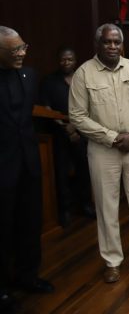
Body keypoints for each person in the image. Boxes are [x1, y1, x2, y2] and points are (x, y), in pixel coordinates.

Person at [69, 23, 129, 283]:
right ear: (97, 44)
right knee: (107, 207)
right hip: (102, 151)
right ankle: (112, 261)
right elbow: (77, 116)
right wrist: (111, 137)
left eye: (116, 42)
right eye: (107, 42)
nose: (112, 46)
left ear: (122, 44)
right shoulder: (83, 74)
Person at [0, 26, 54, 312]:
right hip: (2, 169)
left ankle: (28, 276)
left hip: (29, 164)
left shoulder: (29, 75)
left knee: (30, 223)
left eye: (23, 47)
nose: (22, 53)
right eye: (14, 50)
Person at [40, 46, 95, 226]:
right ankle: (65, 210)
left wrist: (75, 127)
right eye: (63, 59)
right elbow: (47, 109)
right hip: (59, 133)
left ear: (75, 60)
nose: (66, 62)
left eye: (70, 59)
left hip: (81, 133)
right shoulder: (49, 81)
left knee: (84, 171)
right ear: (59, 61)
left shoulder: (83, 79)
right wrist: (65, 127)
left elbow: (90, 106)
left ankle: (85, 205)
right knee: (61, 173)